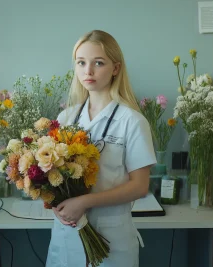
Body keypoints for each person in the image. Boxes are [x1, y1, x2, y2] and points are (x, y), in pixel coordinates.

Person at [46, 29, 156, 267]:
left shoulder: (132, 121)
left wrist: (85, 202)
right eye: (81, 62)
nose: (88, 71)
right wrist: (55, 203)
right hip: (66, 236)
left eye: (98, 63)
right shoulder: (66, 118)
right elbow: (53, 176)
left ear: (115, 68)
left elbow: (139, 186)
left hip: (112, 237)